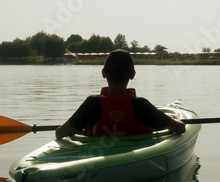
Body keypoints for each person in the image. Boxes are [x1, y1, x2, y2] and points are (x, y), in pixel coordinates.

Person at [55, 49, 185, 139]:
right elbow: (180, 128)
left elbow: (60, 133)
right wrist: (172, 119)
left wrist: (79, 130)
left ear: (103, 73)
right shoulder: (141, 105)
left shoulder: (91, 104)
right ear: (133, 75)